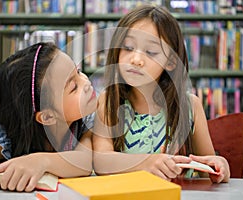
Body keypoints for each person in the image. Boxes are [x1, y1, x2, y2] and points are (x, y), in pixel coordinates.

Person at [92, 5, 230, 183]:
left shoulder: (190, 106)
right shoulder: (109, 100)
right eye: (127, 47)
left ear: (171, 62)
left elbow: (207, 169)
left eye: (150, 52)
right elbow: (101, 161)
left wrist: (218, 165)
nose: (136, 60)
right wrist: (146, 162)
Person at [0, 42, 97, 191]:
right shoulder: (8, 137)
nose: (86, 82)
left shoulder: (87, 123)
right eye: (74, 87)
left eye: (79, 72)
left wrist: (42, 161)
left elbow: (84, 162)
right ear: (47, 117)